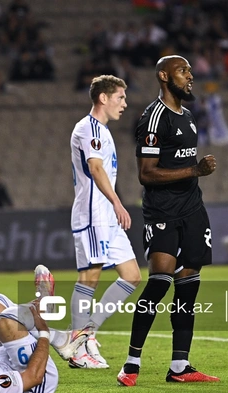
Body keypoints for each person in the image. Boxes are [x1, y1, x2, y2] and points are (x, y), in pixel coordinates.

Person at [118, 55, 219, 387]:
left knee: (188, 288)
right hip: (162, 212)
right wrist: (195, 170)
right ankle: (131, 365)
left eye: (190, 70)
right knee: (159, 280)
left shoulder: (188, 116)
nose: (190, 76)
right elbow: (146, 174)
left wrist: (195, 175)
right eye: (183, 71)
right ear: (164, 76)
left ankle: (180, 366)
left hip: (193, 211)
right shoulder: (153, 118)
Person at [68, 75, 141, 369]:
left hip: (106, 215)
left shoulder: (104, 131)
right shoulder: (88, 129)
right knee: (90, 277)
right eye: (120, 98)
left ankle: (88, 332)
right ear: (103, 98)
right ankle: (77, 346)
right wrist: (116, 201)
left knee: (132, 275)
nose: (124, 103)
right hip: (93, 213)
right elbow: (95, 168)